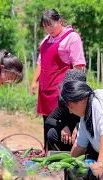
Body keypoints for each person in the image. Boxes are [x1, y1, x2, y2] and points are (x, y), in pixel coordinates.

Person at [30, 9, 86, 151]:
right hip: (46, 88)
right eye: (45, 27)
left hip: (61, 89)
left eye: (52, 26)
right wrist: (34, 81)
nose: (49, 30)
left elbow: (78, 66)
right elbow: (40, 63)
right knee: (47, 120)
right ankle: (47, 151)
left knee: (64, 121)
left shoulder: (72, 38)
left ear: (59, 21)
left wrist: (74, 91)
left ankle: (67, 152)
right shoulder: (45, 40)